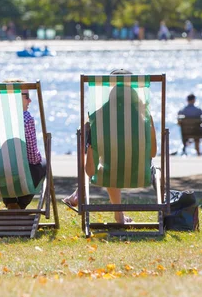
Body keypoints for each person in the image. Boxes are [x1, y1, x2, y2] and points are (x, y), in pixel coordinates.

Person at [62, 69, 157, 224]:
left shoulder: (97, 118)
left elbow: (90, 170)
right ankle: (122, 215)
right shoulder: (145, 117)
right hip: (140, 173)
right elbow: (152, 153)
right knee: (117, 161)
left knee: (111, 163)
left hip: (108, 173)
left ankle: (83, 198)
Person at [2, 79, 46, 210]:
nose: (30, 101)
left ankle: (10, 202)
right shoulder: (25, 118)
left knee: (5, 165)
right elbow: (33, 158)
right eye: (27, 97)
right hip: (21, 176)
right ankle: (20, 205)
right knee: (41, 164)